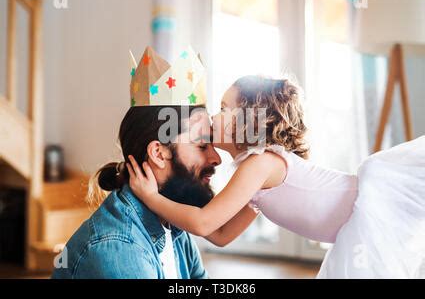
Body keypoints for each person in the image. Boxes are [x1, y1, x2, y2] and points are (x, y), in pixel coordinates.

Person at [129, 75, 425, 278]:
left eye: (223, 109)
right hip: (358, 224)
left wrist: (151, 197)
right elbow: (219, 235)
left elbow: (204, 221)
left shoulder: (261, 163)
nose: (212, 118)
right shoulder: (254, 171)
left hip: (370, 211)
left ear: (250, 118)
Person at [52, 105, 257, 278]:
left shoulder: (175, 226)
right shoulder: (120, 247)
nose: (217, 158)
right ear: (158, 154)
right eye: (202, 146)